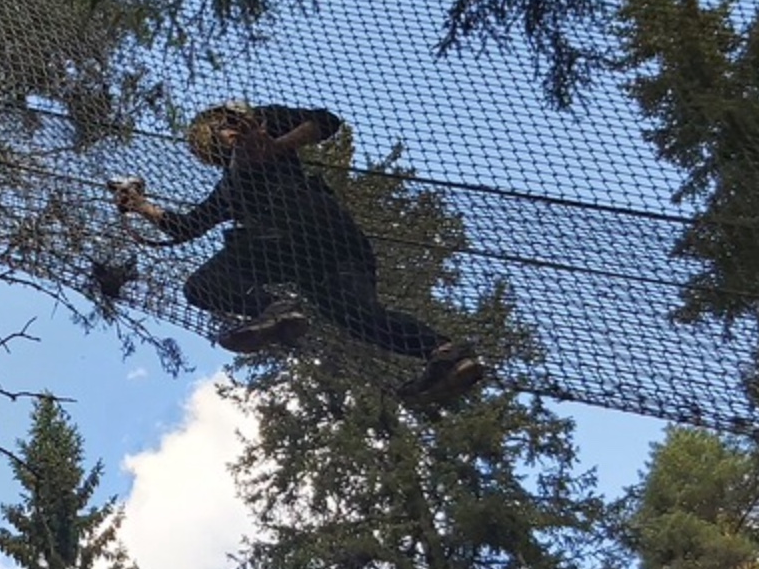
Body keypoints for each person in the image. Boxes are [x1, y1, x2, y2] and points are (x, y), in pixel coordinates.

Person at [110, 102, 484, 402]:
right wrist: (140, 205)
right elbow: (186, 226)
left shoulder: (262, 123)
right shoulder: (229, 188)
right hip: (327, 252)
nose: (216, 144)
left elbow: (326, 122)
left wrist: (278, 145)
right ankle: (445, 352)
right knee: (360, 317)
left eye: (211, 137)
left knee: (202, 284)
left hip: (300, 224)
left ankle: (273, 307)